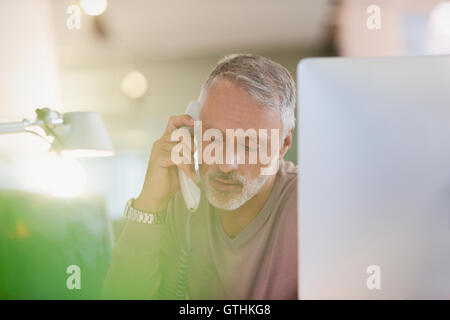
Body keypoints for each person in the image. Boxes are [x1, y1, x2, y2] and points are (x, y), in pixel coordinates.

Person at [102, 53, 298, 299]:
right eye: (213, 138)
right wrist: (151, 203)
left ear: (284, 144)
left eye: (249, 146)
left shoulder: (310, 204)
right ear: (191, 128)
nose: (226, 164)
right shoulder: (178, 201)